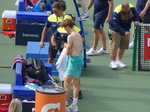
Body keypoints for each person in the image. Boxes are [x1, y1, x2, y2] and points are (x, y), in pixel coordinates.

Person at [60, 19, 83, 112]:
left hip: (73, 60)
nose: (65, 30)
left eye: (65, 27)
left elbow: (68, 52)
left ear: (68, 26)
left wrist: (65, 46)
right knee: (76, 82)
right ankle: (74, 105)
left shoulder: (70, 36)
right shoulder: (78, 34)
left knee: (66, 82)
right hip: (78, 59)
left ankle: (65, 104)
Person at [108, 2, 139, 70]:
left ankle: (118, 61)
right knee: (114, 46)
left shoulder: (132, 9)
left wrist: (136, 21)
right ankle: (112, 62)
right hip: (114, 30)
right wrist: (124, 32)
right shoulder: (116, 12)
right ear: (122, 8)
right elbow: (116, 25)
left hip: (126, 30)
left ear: (129, 8)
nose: (126, 11)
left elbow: (136, 16)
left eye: (127, 10)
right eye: (124, 10)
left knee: (123, 46)